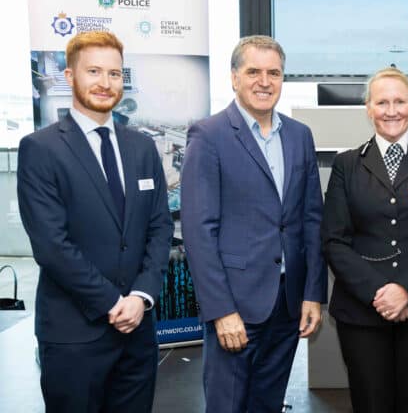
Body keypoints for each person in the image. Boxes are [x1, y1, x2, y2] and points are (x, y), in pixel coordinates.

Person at [17, 31, 173, 412]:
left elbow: (160, 227)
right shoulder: (41, 148)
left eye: (115, 74)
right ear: (70, 77)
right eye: (94, 71)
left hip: (138, 331)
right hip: (75, 335)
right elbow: (52, 246)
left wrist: (141, 297)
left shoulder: (142, 147)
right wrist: (111, 302)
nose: (105, 83)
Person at [180, 35, 326, 413]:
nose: (264, 81)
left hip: (288, 302)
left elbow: (311, 220)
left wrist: (313, 293)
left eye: (274, 73)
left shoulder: (299, 135)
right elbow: (199, 231)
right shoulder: (208, 135)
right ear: (234, 78)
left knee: (267, 403)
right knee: (227, 405)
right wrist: (220, 310)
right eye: (253, 72)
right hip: (236, 304)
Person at [321, 67, 408, 412]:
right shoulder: (347, 164)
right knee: (371, 404)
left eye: (400, 101)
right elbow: (334, 240)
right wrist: (379, 294)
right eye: (382, 102)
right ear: (368, 109)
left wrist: (406, 290)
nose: (391, 110)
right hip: (362, 311)